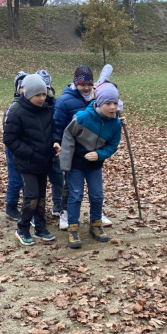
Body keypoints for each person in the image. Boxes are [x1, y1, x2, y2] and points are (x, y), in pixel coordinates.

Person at [60, 82, 122, 249]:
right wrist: (65, 163)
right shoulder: (81, 118)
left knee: (97, 195)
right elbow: (67, 136)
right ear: (99, 102)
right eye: (108, 103)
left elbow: (112, 146)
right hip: (76, 165)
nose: (112, 107)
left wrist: (100, 155)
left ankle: (95, 225)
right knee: (75, 195)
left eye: (115, 103)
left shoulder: (116, 124)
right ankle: (73, 228)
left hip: (95, 166)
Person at [3, 74, 61, 246]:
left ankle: (40, 228)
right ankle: (22, 229)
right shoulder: (17, 112)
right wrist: (29, 152)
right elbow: (10, 139)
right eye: (38, 95)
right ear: (27, 94)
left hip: (44, 161)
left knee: (41, 197)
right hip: (26, 163)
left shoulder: (46, 111)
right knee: (32, 196)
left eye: (44, 94)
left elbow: (52, 132)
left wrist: (56, 142)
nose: (42, 98)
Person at [54, 66, 113, 231]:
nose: (86, 88)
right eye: (82, 85)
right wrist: (57, 142)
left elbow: (108, 113)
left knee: (96, 188)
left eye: (89, 84)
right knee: (71, 186)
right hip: (72, 149)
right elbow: (57, 125)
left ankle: (97, 213)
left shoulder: (96, 97)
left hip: (94, 147)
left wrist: (116, 118)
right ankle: (64, 213)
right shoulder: (64, 101)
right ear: (75, 84)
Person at [36, 69, 64, 218]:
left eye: (45, 90)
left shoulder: (56, 104)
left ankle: (58, 205)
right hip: (37, 151)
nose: (42, 95)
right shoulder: (29, 106)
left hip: (54, 149)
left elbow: (57, 126)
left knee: (58, 178)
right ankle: (37, 209)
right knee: (37, 183)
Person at [3, 71, 27, 221]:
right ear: (18, 89)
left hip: (27, 147)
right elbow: (8, 131)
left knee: (27, 178)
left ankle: (28, 205)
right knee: (16, 177)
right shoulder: (14, 107)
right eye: (23, 87)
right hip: (14, 148)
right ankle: (11, 206)